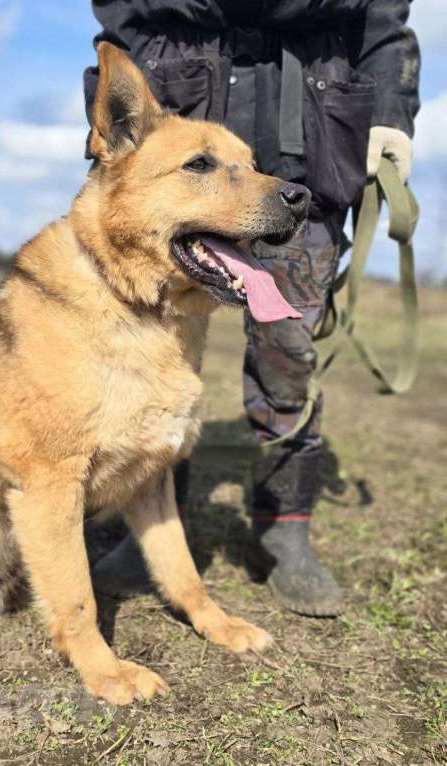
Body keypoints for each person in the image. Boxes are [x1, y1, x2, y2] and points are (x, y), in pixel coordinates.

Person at [84, 1, 420, 616]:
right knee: (144, 355)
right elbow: (122, 21)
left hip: (310, 138)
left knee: (288, 351)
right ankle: (153, 526)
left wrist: (392, 116)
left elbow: (385, 22)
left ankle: (282, 526)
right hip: (178, 128)